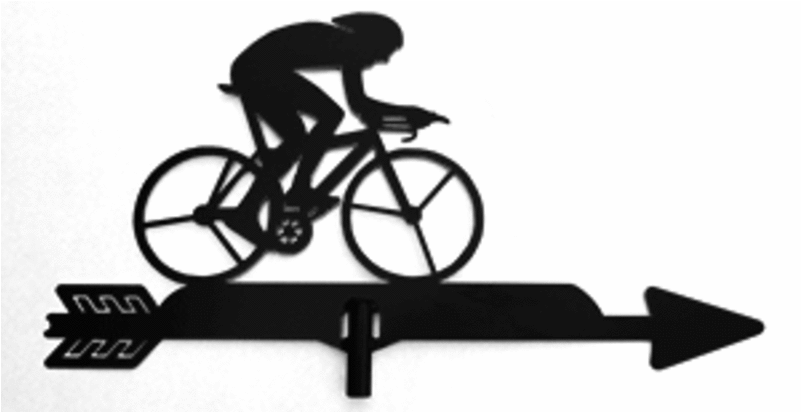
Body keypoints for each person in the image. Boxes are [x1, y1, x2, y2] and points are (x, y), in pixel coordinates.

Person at [228, 12, 446, 239]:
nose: (384, 59)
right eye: (384, 50)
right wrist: (409, 114)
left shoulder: (345, 46)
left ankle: (294, 191)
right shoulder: (348, 49)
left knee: (313, 128)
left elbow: (363, 108)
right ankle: (258, 207)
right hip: (257, 70)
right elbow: (361, 105)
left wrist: (406, 115)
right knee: (319, 123)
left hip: (259, 68)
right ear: (371, 41)